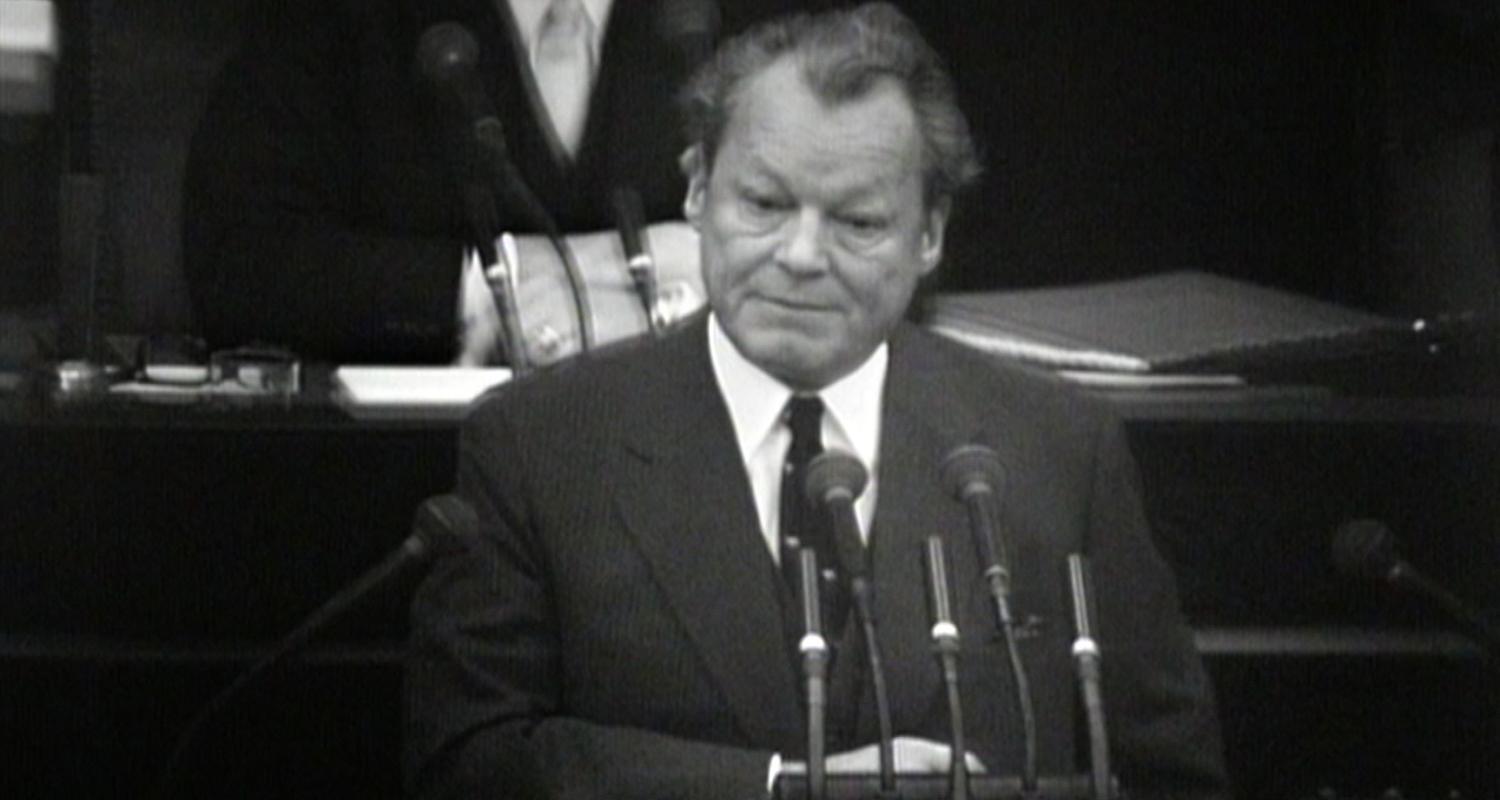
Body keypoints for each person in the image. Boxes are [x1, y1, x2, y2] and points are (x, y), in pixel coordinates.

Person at [404, 4, 1230, 798]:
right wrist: (780, 792)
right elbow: (469, 765)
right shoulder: (539, 444)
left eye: (858, 222)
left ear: (930, 234)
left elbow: (1169, 777)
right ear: (696, 191)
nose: (801, 255)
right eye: (763, 205)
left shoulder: (1058, 445)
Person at [183, 0, 803, 364]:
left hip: (695, 491)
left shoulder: (773, 21)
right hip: (414, 488)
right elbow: (240, 265)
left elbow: (879, 251)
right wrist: (496, 289)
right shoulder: (332, 20)